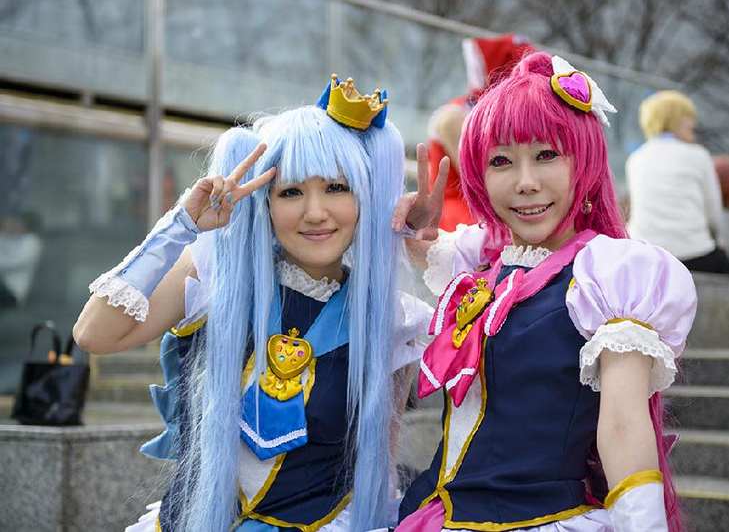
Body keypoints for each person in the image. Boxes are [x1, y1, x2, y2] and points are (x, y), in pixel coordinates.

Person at [73, 75, 433, 532]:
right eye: (291, 192)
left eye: (336, 188)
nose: (315, 212)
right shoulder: (213, 277)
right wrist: (181, 226)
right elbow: (93, 334)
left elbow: (380, 457)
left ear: (364, 197)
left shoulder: (391, 318)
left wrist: (422, 251)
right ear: (265, 203)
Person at [393, 52, 697, 532]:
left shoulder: (611, 275)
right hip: (435, 515)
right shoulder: (485, 264)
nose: (526, 183)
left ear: (586, 161)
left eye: (547, 155)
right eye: (501, 161)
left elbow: (622, 426)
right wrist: (410, 227)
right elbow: (416, 249)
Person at [426, 34, 533, 231]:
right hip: (461, 216)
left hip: (484, 211)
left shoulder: (488, 113)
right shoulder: (457, 116)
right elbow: (479, 180)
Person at [626, 90, 729, 273]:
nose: (693, 123)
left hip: (646, 256)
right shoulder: (699, 155)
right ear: (673, 120)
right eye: (688, 116)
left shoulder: (635, 159)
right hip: (695, 255)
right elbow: (714, 216)